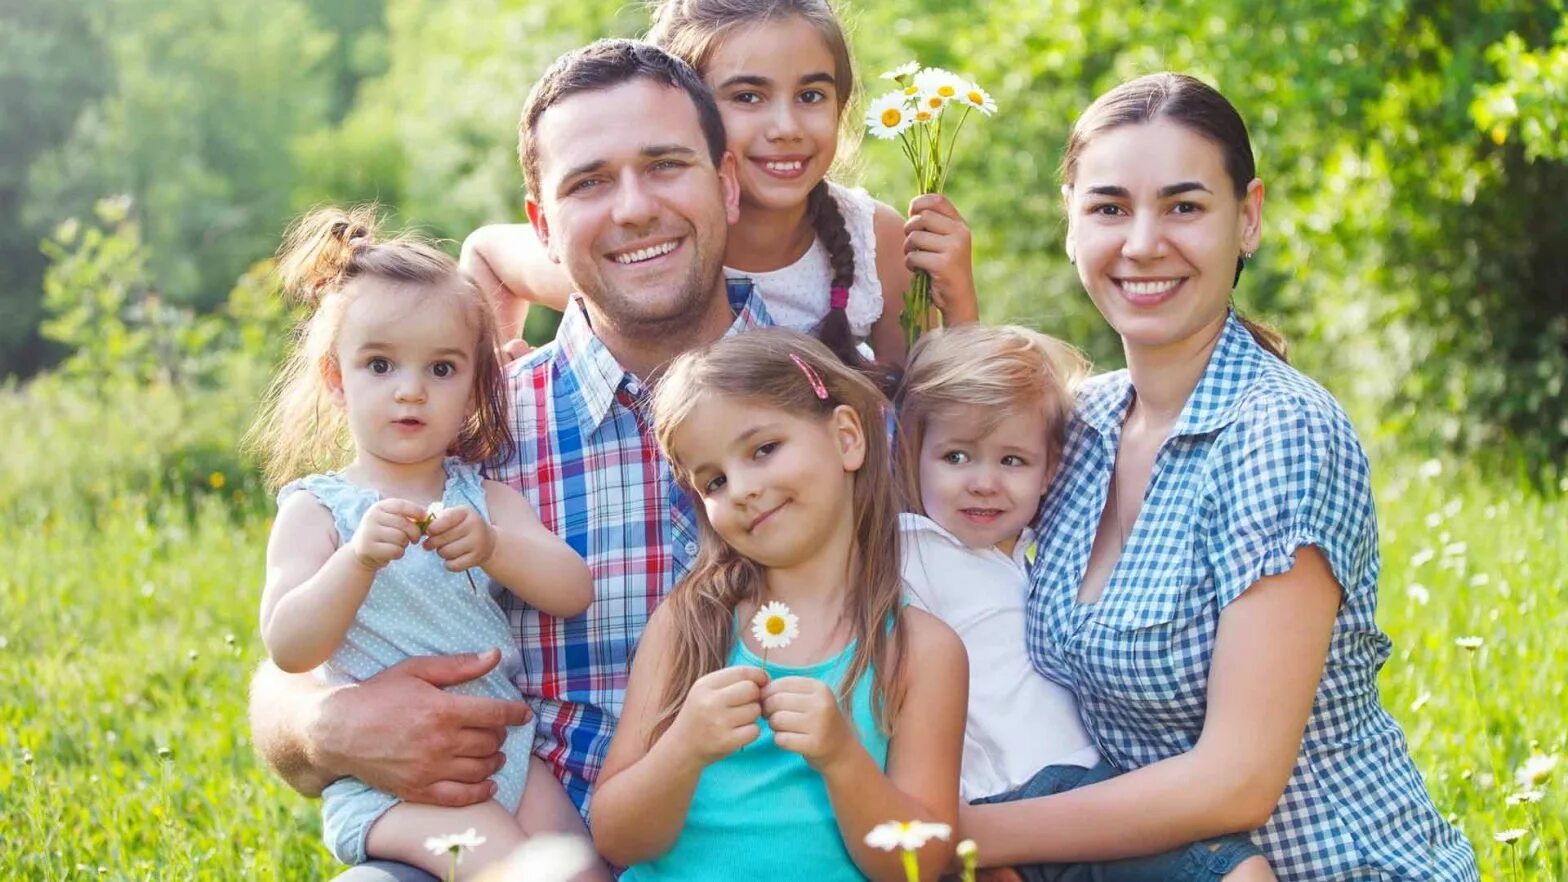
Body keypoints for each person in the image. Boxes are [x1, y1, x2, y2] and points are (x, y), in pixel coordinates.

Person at [246, 40, 785, 882]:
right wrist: (323, 725)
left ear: (725, 183)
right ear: (542, 224)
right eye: (590, 182)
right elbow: (301, 651)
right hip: (525, 829)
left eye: (665, 165)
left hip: (792, 843)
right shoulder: (467, 428)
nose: (635, 208)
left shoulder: (837, 410)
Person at [958, 73, 1480, 881]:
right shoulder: (1076, 427)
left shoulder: (1279, 431)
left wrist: (958, 836)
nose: (1141, 243)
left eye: (1184, 206)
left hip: (1331, 866)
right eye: (1107, 208)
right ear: (1069, 224)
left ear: (1250, 217)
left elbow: (1236, 783)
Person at [246, 206, 597, 878]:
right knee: (516, 869)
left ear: (474, 384)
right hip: (395, 785)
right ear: (335, 378)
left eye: (441, 370)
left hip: (507, 753)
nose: (411, 391)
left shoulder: (484, 498)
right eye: (380, 365)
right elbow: (290, 645)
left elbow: (571, 588)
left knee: (579, 868)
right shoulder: (319, 509)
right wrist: (357, 560)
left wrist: (496, 547)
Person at [894, 323, 1273, 881]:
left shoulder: (1028, 550)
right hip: (1008, 797)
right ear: (912, 455)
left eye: (1012, 462)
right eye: (955, 457)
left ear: (1051, 469)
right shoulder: (913, 550)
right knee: (1230, 870)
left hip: (1080, 797)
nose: (983, 482)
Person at [591, 329, 966, 881]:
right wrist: (684, 747)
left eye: (764, 449)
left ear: (846, 439)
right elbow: (617, 837)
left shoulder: (921, 651)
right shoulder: (691, 622)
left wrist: (842, 758)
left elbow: (920, 862)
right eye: (714, 480)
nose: (740, 488)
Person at [460, 0, 980, 367]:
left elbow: (918, 413)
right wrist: (493, 375)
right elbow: (485, 254)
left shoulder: (874, 241)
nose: (786, 127)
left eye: (811, 95)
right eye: (748, 97)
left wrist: (959, 305)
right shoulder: (649, 250)